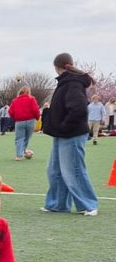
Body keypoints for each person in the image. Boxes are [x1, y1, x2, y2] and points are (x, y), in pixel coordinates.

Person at [41, 52, 98, 216]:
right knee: (55, 170)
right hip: (62, 134)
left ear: (56, 67)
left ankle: (88, 205)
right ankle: (57, 204)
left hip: (71, 134)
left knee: (74, 170)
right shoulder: (66, 83)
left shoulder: (73, 83)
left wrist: (65, 126)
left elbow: (79, 109)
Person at [9, 86, 41, 160]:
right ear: (28, 92)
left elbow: (11, 111)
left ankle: (19, 155)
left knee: (19, 138)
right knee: (27, 137)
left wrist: (15, 118)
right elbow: (35, 110)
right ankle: (24, 150)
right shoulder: (32, 99)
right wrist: (37, 117)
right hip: (30, 121)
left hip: (19, 121)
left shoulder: (15, 100)